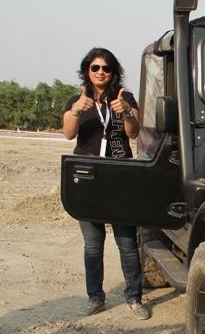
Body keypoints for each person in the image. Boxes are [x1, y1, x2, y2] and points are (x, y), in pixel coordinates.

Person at [63, 47, 149, 319]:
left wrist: (126, 111)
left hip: (119, 176)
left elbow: (133, 133)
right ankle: (95, 298)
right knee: (92, 245)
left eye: (106, 68)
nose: (101, 72)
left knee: (127, 243)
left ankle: (134, 298)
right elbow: (68, 134)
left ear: (114, 71)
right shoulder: (77, 100)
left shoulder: (125, 97)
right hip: (88, 177)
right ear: (87, 71)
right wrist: (77, 109)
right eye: (95, 68)